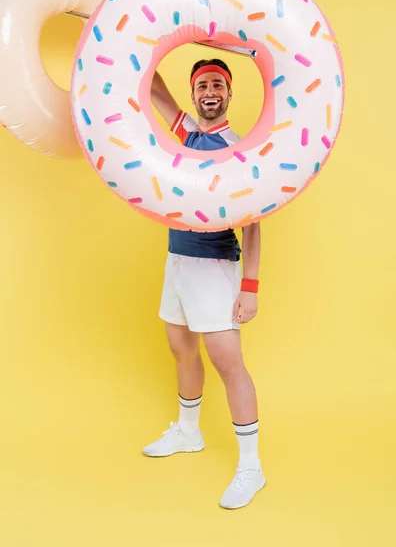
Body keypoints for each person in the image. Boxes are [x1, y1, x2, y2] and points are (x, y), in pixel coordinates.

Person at [143, 58, 266, 509]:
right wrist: (140, 37)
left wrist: (249, 288)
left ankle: (251, 467)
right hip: (177, 259)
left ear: (229, 94)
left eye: (218, 84)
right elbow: (154, 89)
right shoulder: (189, 133)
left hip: (214, 263)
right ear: (195, 95)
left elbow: (252, 224)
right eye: (202, 86)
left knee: (228, 363)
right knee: (181, 348)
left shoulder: (238, 149)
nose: (209, 91)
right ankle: (189, 432)